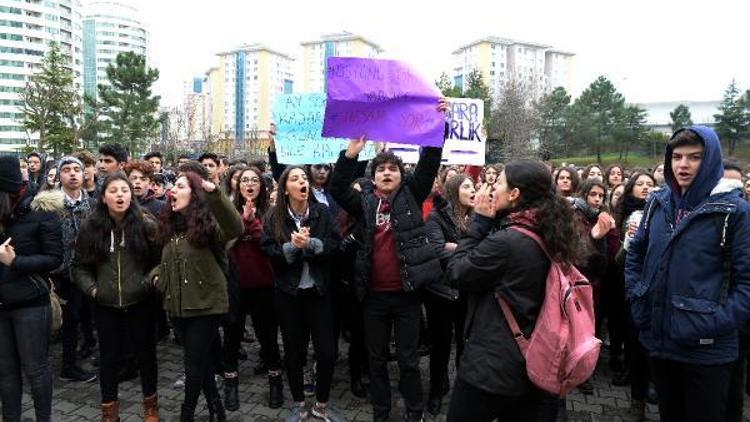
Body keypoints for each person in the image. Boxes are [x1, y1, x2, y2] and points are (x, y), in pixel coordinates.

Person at [625, 126, 750, 422]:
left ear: (710, 161)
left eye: (694, 157)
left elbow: (747, 283)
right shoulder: (658, 202)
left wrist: (714, 322)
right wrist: (636, 297)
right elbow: (636, 253)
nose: (683, 164)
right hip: (659, 340)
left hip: (707, 350)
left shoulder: (735, 212)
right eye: (677, 156)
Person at [330, 108, 446, 422]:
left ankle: (414, 411)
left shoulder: (411, 194)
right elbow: (337, 189)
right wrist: (349, 155)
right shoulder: (365, 203)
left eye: (392, 169)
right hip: (373, 298)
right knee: (376, 358)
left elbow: (430, 161)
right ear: (373, 176)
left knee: (409, 361)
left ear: (400, 175)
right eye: (380, 169)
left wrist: (437, 125)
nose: (386, 173)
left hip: (407, 295)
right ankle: (381, 412)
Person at [444, 160, 582, 421]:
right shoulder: (548, 229)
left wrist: (480, 222)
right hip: (535, 361)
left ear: (514, 194)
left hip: (492, 366)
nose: (492, 188)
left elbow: (456, 272)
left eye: (499, 183)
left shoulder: (509, 241)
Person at [154, 170, 243, 422]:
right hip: (177, 307)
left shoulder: (209, 226)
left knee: (192, 365)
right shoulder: (169, 228)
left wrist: (215, 195)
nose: (172, 190)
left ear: (195, 195)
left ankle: (187, 414)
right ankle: (216, 406)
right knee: (200, 361)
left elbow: (235, 227)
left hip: (206, 306)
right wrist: (157, 277)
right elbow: (160, 264)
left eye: (180, 186)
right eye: (173, 186)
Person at [72, 173, 162, 422]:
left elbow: (161, 260)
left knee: (146, 356)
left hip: (141, 302)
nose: (120, 195)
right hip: (105, 304)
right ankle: (109, 411)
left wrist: (148, 282)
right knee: (109, 359)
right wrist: (93, 289)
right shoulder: (91, 226)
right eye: (114, 191)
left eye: (125, 190)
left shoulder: (146, 223)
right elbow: (78, 266)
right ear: (103, 197)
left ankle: (150, 408)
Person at [261, 166, 343, 422]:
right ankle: (299, 403)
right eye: (295, 179)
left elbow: (335, 245)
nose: (302, 182)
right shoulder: (274, 216)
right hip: (289, 295)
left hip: (318, 292)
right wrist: (290, 248)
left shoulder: (322, 212)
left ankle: (321, 404)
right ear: (285, 187)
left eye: (304, 178)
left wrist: (313, 244)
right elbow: (267, 250)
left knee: (327, 352)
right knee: (294, 352)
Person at [0, 155, 64, 422]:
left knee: (36, 369)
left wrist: (16, 262)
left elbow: (55, 258)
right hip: (2, 306)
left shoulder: (41, 211)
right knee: (6, 373)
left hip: (31, 304)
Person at [223, 166, 283, 411]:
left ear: (261, 185)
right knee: (231, 338)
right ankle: (230, 384)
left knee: (267, 336)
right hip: (234, 286)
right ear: (237, 185)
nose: (249, 184)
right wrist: (241, 224)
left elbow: (274, 246)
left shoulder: (272, 212)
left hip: (264, 285)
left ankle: (275, 381)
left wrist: (253, 223)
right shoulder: (228, 211)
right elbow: (223, 244)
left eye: (254, 180)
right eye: (244, 180)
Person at [423, 173, 474, 415]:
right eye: (467, 186)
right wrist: (470, 250)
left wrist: (456, 247)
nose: (473, 190)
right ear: (454, 191)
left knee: (467, 346)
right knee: (440, 346)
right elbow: (436, 251)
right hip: (441, 294)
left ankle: (464, 392)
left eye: (473, 185)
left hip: (468, 293)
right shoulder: (436, 217)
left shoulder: (479, 217)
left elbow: (488, 250)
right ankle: (437, 389)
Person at [49, 156, 98, 384]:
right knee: (63, 321)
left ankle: (75, 359)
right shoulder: (48, 204)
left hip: (84, 272)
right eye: (66, 169)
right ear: (59, 175)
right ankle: (67, 366)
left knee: (78, 318)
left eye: (76, 169)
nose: (72, 173)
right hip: (57, 273)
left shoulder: (94, 205)